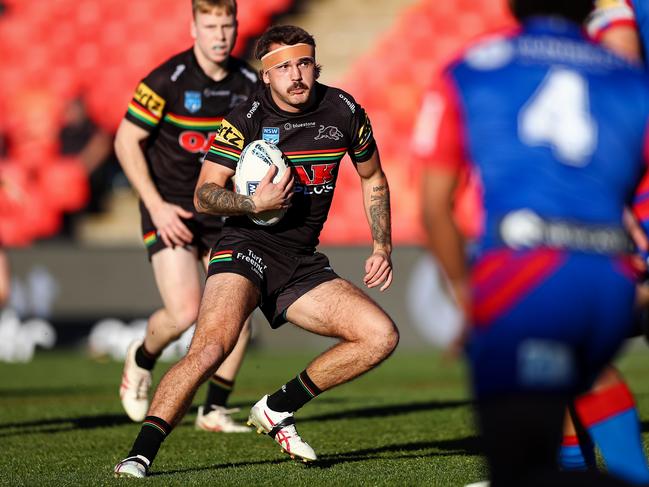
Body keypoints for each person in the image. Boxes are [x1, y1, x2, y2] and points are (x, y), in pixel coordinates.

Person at [113, 24, 399, 478]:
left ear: (315, 64)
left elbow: (373, 178)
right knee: (209, 350)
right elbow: (204, 194)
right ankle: (139, 454)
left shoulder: (343, 110)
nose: (296, 75)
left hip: (301, 261)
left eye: (303, 63)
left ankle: (276, 408)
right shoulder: (243, 119)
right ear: (265, 76)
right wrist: (252, 204)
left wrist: (381, 243)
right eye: (282, 67)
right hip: (245, 246)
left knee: (380, 335)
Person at [418, 0, 649, 485]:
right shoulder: (629, 78)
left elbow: (435, 206)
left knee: (518, 464)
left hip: (524, 267)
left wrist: (464, 292)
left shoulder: (472, 68)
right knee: (580, 375)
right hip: (607, 272)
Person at [113, 0, 258, 433]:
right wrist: (156, 207)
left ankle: (213, 410)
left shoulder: (249, 83)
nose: (220, 35)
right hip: (172, 208)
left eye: (227, 25)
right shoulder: (166, 81)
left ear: (236, 28)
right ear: (193, 28)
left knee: (239, 310)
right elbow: (125, 141)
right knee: (184, 313)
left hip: (220, 211)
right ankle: (141, 359)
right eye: (210, 25)